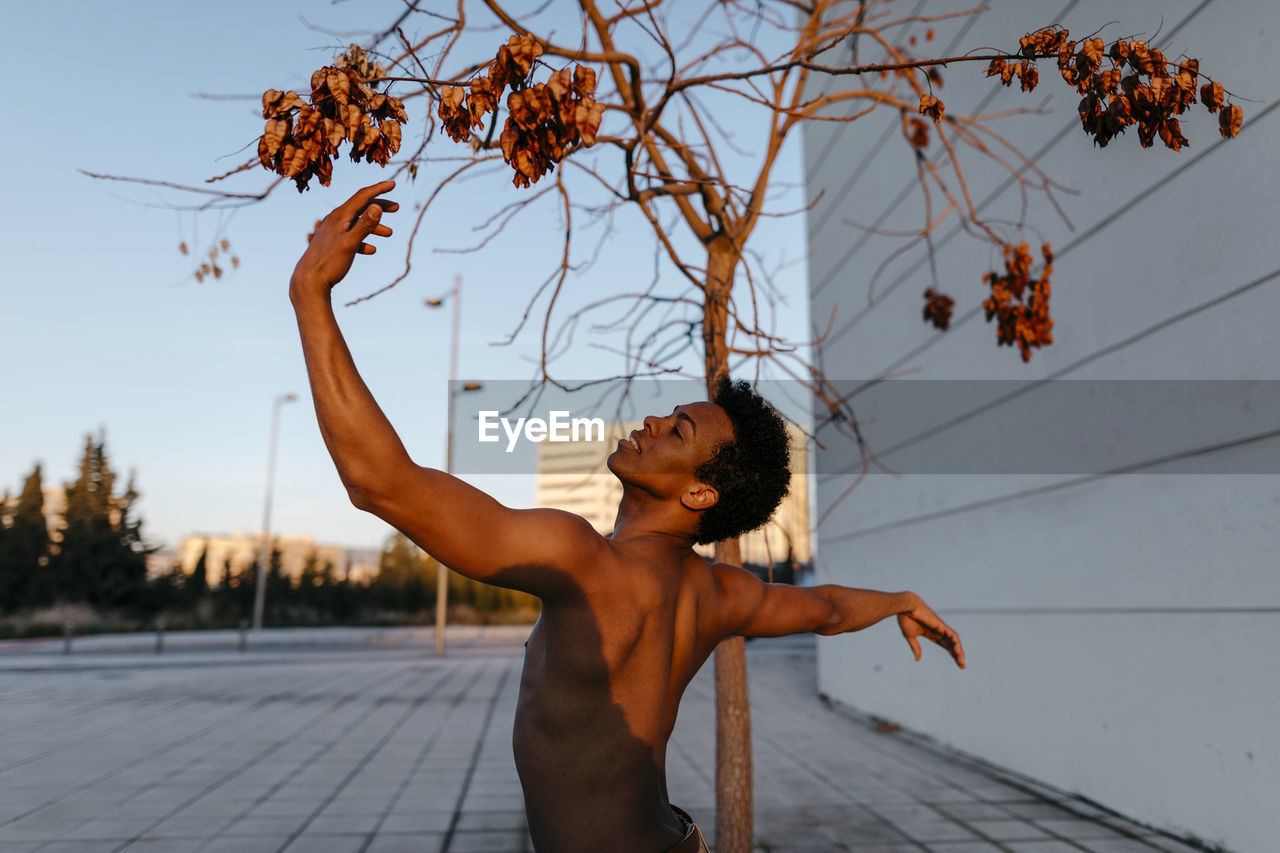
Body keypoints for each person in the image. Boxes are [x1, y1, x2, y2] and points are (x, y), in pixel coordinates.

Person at [291, 181, 966, 853]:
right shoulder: (719, 593)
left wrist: (311, 294)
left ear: (700, 494)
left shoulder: (581, 559)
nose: (650, 423)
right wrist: (899, 600)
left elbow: (381, 484)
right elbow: (825, 609)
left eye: (676, 431)